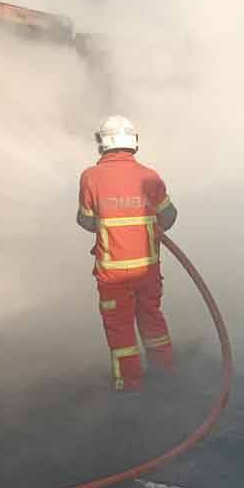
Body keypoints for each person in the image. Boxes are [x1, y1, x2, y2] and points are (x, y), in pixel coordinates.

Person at [77, 115, 178, 392]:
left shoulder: (91, 177)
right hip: (148, 269)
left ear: (102, 142)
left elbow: (85, 219)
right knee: (152, 318)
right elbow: (169, 215)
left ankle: (131, 385)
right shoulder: (150, 176)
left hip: (113, 275)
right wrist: (150, 229)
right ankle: (167, 375)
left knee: (120, 328)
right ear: (133, 140)